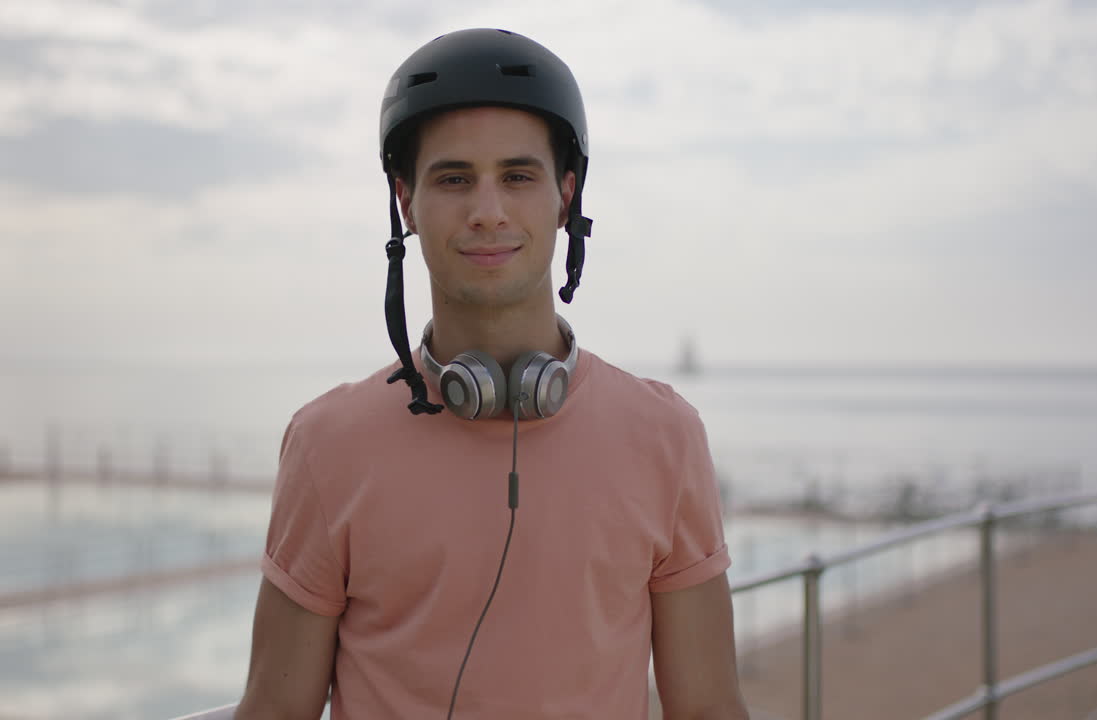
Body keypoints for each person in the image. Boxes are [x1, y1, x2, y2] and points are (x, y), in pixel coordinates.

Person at [235, 28, 748, 720]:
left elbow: (710, 712)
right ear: (405, 201)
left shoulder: (666, 437)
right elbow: (273, 711)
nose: (487, 211)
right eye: (453, 179)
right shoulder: (326, 445)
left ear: (566, 196)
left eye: (517, 175)